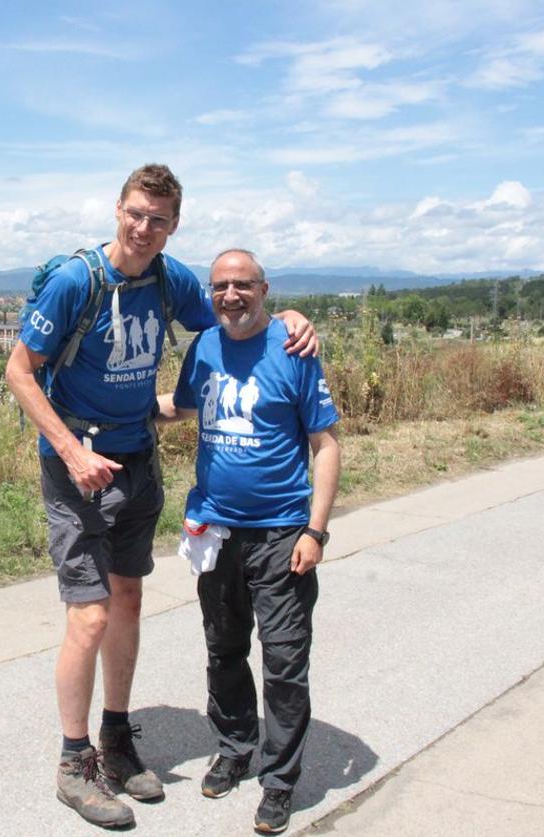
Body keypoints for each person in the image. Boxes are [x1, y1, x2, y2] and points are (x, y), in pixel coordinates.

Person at [5, 165, 319, 829]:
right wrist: (70, 450)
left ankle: (116, 739)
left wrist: (289, 314)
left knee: (128, 600)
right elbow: (19, 370)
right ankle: (73, 761)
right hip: (77, 467)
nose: (144, 229)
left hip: (136, 462)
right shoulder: (76, 281)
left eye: (159, 219)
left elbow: (240, 319)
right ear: (117, 209)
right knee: (88, 617)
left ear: (174, 225)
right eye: (136, 214)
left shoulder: (168, 277)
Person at [158, 248, 341, 834]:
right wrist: (110, 407)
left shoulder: (292, 348)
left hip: (283, 533)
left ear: (264, 289)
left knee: (285, 662)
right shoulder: (205, 346)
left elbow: (327, 444)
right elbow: (182, 408)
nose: (230, 295)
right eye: (220, 287)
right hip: (217, 530)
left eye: (242, 285)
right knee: (224, 649)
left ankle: (279, 782)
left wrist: (316, 530)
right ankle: (236, 747)